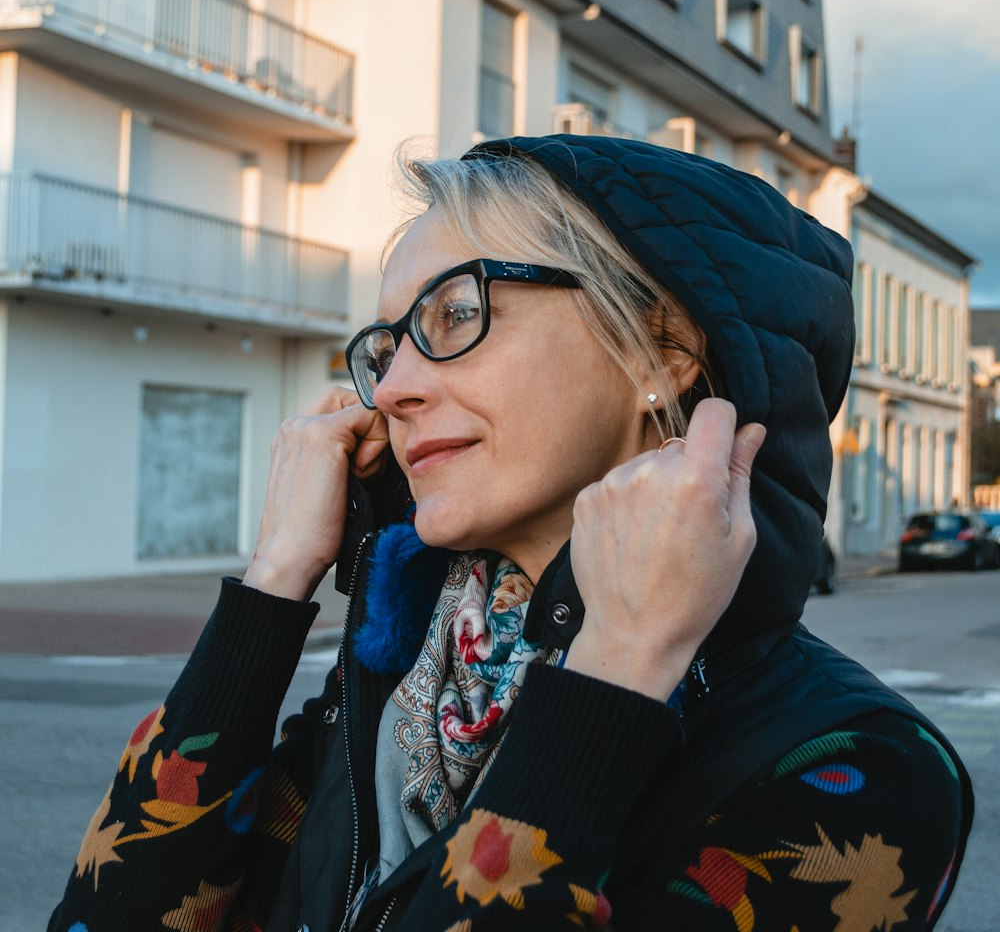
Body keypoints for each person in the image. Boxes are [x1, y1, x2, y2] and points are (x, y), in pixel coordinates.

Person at [50, 136, 972, 932]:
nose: (398, 386)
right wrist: (274, 583)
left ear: (663, 351)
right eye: (386, 345)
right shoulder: (401, 689)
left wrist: (614, 675)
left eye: (455, 313)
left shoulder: (858, 769)